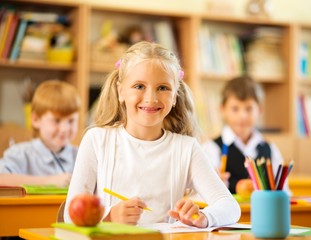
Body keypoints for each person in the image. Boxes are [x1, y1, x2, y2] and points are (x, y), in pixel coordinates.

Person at [63, 41, 240, 228]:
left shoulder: (187, 148)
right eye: (139, 86)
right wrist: (109, 215)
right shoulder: (96, 140)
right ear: (121, 91)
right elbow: (70, 213)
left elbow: (230, 207)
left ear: (174, 97)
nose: (151, 98)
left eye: (163, 88)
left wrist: (203, 217)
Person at [202, 75, 290, 194]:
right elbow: (203, 191)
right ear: (222, 110)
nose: (242, 116)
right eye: (235, 109)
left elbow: (283, 191)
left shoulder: (270, 149)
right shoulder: (212, 148)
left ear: (260, 110)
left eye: (249, 109)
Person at [0, 80, 81, 187]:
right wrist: (49, 182)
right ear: (35, 119)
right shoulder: (20, 153)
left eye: (71, 121)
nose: (64, 129)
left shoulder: (81, 155)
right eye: (56, 120)